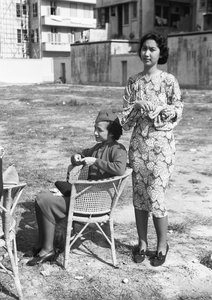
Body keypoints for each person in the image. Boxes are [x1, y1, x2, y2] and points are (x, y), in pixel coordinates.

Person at [27, 109, 127, 266]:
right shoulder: (97, 147)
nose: (94, 132)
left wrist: (95, 162)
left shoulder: (118, 149)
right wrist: (76, 158)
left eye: (99, 130)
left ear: (112, 133)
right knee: (41, 199)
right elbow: (80, 154)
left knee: (42, 200)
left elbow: (120, 169)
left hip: (93, 202)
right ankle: (42, 245)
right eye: (94, 128)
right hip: (84, 196)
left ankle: (48, 249)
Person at [121, 32, 183, 266]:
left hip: (162, 146)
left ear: (160, 52)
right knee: (139, 196)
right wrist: (136, 105)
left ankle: (162, 245)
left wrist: (161, 109)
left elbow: (178, 111)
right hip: (138, 146)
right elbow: (125, 122)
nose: (147, 53)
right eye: (144, 48)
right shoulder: (133, 82)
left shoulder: (169, 80)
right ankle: (142, 243)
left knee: (156, 196)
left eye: (152, 49)